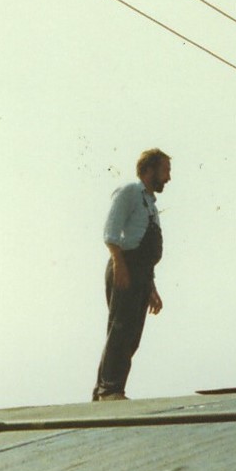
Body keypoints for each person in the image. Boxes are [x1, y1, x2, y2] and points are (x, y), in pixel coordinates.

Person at [92, 148, 172, 401]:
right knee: (121, 328)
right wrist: (120, 265)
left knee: (132, 335)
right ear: (149, 170)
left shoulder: (150, 204)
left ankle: (108, 388)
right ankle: (109, 389)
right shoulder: (129, 192)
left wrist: (151, 288)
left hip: (141, 272)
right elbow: (111, 232)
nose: (168, 178)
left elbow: (147, 251)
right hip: (124, 265)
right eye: (165, 171)